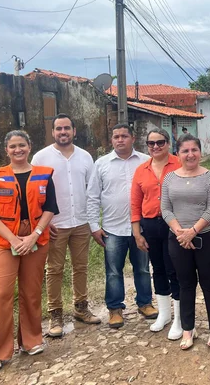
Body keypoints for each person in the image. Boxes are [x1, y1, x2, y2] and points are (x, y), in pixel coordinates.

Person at [0, 130, 59, 372]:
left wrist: (34, 234)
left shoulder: (44, 174)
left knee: (31, 292)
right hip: (3, 242)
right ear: (6, 150)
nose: (18, 150)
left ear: (29, 147)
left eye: (22, 145)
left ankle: (31, 340)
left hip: (36, 239)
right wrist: (14, 239)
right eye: (13, 146)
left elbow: (50, 208)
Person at [31, 113, 100, 337]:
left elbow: (92, 192)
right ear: (52, 132)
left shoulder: (85, 157)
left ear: (74, 131)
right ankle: (55, 314)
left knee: (81, 267)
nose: (63, 132)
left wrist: (92, 221)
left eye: (67, 128)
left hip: (80, 222)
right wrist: (42, 220)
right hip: (55, 224)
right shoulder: (41, 158)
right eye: (59, 129)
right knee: (54, 270)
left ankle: (81, 308)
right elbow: (34, 193)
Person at [86, 124, 156, 329]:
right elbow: (92, 197)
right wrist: (93, 225)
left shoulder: (145, 161)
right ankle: (115, 309)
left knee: (143, 268)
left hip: (140, 228)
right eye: (116, 137)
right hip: (112, 229)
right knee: (114, 272)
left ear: (133, 138)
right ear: (111, 140)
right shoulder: (101, 164)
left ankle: (145, 303)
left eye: (124, 136)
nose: (120, 140)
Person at [161, 134, 210, 350]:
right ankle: (188, 328)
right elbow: (165, 209)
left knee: (209, 283)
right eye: (185, 151)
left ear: (200, 152)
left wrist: (193, 232)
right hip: (177, 238)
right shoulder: (169, 178)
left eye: (194, 150)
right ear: (177, 154)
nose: (190, 154)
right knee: (185, 284)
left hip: (207, 237)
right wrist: (180, 232)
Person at [131, 129, 182, 340]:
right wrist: (137, 232)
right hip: (151, 225)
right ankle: (164, 314)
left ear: (168, 144)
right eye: (151, 143)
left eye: (160, 142)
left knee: (175, 270)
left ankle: (180, 318)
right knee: (158, 269)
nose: (155, 147)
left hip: (175, 225)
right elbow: (135, 203)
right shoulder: (141, 170)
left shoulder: (179, 164)